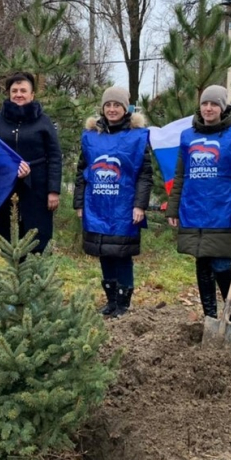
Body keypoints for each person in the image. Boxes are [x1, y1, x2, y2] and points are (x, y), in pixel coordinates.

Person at [166, 85, 231, 324]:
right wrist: (173, 207)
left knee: (221, 263)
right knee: (202, 262)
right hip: (193, 210)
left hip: (223, 210)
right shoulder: (188, 136)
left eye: (214, 104)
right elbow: (180, 174)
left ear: (222, 107)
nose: (208, 108)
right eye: (205, 103)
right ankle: (210, 317)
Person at [74, 86, 153, 318]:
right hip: (96, 205)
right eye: (108, 105)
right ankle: (110, 301)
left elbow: (144, 175)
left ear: (125, 107)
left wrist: (140, 205)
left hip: (124, 207)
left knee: (122, 255)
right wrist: (79, 204)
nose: (112, 109)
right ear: (102, 107)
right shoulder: (91, 137)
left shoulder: (137, 137)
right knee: (104, 252)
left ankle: (123, 303)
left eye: (116, 105)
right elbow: (82, 172)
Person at [0, 71, 62, 254]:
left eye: (23, 90)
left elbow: (54, 156)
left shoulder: (43, 122)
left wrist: (53, 190)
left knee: (38, 237)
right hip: (6, 188)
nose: (18, 94)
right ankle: (15, 276)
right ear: (9, 93)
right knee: (9, 236)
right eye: (14, 90)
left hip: (38, 187)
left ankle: (37, 278)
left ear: (32, 95)